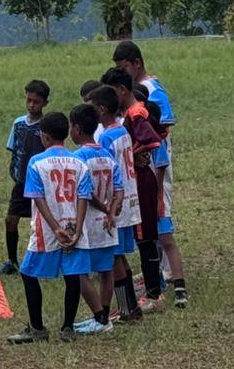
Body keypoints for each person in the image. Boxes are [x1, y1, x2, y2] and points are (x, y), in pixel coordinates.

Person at [113, 40, 187, 308]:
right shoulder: (131, 94)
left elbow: (163, 126)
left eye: (124, 67)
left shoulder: (153, 91)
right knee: (145, 222)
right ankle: (153, 274)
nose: (123, 73)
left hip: (155, 164)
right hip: (140, 166)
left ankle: (166, 277)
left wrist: (146, 150)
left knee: (158, 217)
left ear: (137, 63)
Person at [7, 112, 92, 345]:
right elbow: (84, 197)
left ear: (44, 136)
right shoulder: (79, 162)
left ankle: (37, 327)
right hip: (74, 227)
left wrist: (55, 228)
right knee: (73, 276)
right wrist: (77, 229)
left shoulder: (37, 162)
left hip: (47, 231)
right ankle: (67, 327)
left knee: (27, 273)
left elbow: (39, 198)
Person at [101, 67, 165, 312]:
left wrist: (133, 154)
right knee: (142, 236)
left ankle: (153, 294)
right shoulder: (128, 114)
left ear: (121, 90)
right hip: (134, 178)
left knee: (146, 235)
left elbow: (152, 140)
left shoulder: (136, 112)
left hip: (141, 180)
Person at [89, 85, 144, 323]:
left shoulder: (105, 137)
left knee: (113, 257)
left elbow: (107, 171)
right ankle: (129, 306)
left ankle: (126, 309)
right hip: (129, 200)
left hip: (116, 205)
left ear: (101, 110)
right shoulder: (122, 131)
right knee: (119, 256)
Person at [68, 104, 123, 335]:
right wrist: (111, 211)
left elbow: (86, 193)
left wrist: (102, 208)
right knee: (105, 269)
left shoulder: (78, 157)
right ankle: (104, 315)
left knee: (77, 272)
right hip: (107, 224)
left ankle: (100, 317)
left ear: (77, 129)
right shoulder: (107, 155)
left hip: (88, 223)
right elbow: (120, 189)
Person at [0, 79, 49, 277]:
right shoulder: (19, 124)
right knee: (11, 220)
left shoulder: (47, 125)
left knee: (43, 222)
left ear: (45, 102)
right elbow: (14, 150)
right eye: (28, 100)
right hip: (21, 182)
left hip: (43, 184)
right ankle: (12, 260)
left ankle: (46, 259)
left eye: (36, 101)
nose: (31, 105)